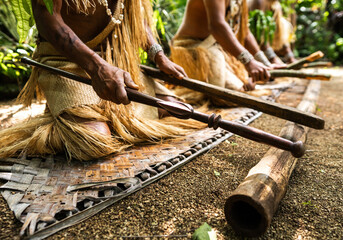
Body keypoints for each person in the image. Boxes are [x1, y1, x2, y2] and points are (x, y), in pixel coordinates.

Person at [0, 0, 199, 161]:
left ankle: (96, 116)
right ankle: (67, 119)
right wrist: (97, 67)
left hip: (118, 62)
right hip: (66, 60)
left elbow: (134, 12)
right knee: (95, 140)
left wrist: (159, 55)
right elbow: (46, 15)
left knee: (177, 109)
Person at [170, 0, 281, 105]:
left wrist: (265, 63)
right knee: (229, 94)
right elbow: (217, 25)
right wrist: (248, 61)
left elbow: (245, 32)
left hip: (217, 49)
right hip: (193, 48)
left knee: (246, 85)